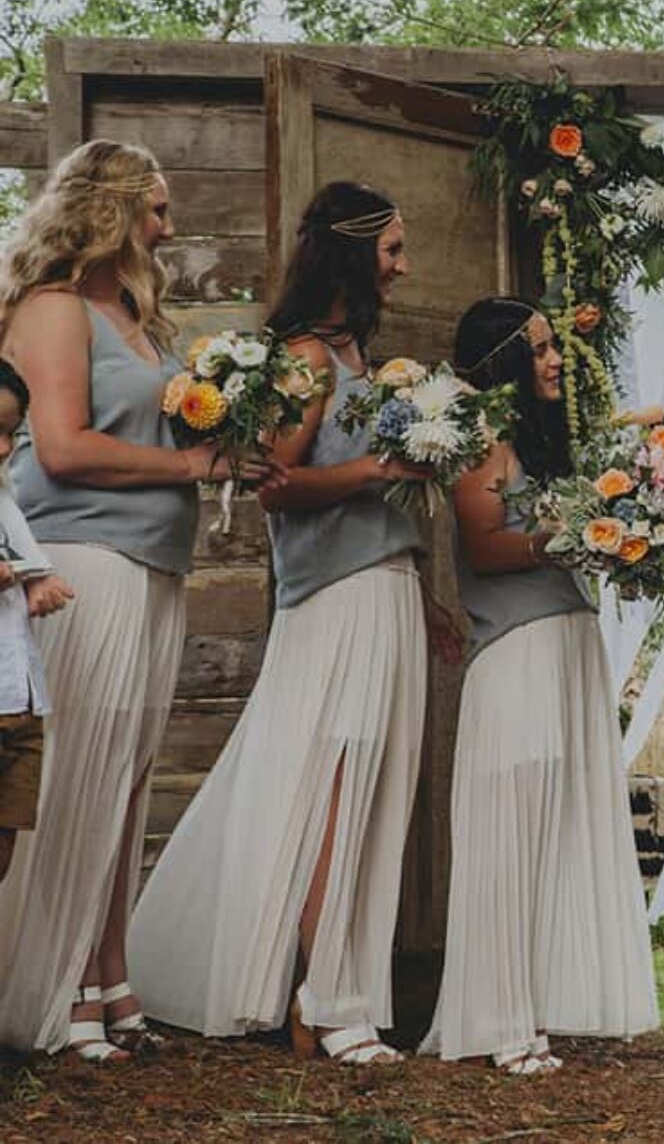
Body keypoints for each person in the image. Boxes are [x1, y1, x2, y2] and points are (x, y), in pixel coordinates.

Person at [126, 181, 457, 1065]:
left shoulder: (360, 362)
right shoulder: (307, 357)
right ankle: (324, 1000)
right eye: (392, 249)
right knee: (337, 790)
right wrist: (375, 471)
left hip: (384, 592)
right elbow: (273, 480)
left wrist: (420, 593)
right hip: (337, 603)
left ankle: (341, 987)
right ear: (353, 254)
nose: (404, 265)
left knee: (374, 793)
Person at [0, 140, 269, 1061]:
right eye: (155, 209)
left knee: (125, 781)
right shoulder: (51, 309)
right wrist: (193, 461)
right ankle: (57, 982)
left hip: (155, 566)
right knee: (74, 777)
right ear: (109, 211)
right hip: (82, 558)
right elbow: (63, 448)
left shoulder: (142, 322)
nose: (169, 224)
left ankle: (111, 974)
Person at [419, 298, 658, 1074]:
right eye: (543, 349)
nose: (557, 360)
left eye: (555, 346)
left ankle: (533, 1003)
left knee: (549, 832)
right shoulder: (483, 441)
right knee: (509, 832)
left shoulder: (536, 444)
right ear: (505, 365)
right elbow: (486, 550)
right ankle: (497, 1017)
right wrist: (582, 532)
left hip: (564, 645)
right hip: (514, 652)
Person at [0, 359, 76, 885]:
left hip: (19, 699)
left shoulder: (5, 502)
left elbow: (28, 561)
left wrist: (36, 581)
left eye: (11, 431)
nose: (5, 447)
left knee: (4, 850)